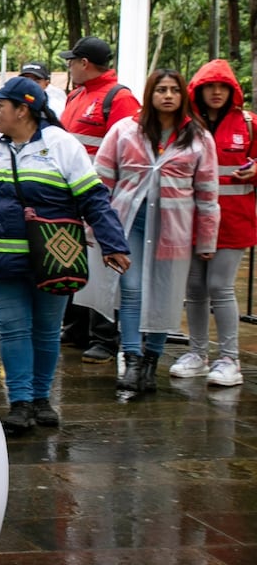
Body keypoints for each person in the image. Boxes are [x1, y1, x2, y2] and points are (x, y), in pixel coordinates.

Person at [0, 78, 129, 434]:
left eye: (1, 105)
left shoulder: (63, 146)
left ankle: (42, 398)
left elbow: (93, 199)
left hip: (55, 259)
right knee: (14, 331)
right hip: (3, 259)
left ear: (23, 110)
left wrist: (113, 244)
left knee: (46, 332)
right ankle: (21, 402)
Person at [76, 69, 219, 396]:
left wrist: (207, 239)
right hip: (128, 225)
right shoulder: (125, 131)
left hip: (174, 229)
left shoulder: (198, 138)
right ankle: (133, 358)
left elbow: (208, 193)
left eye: (174, 90)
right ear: (150, 94)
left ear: (182, 96)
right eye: (161, 90)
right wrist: (93, 225)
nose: (167, 96)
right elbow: (101, 182)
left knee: (166, 294)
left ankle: (152, 360)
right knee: (132, 289)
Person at [57, 37, 140, 364]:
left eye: (72, 61)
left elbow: (129, 149)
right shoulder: (77, 95)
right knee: (74, 261)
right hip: (69, 197)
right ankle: (76, 327)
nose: (70, 67)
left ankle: (105, 337)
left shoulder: (119, 99)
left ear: (85, 63)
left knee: (103, 268)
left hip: (99, 198)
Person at [172, 60, 255, 387]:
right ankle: (198, 353)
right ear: (199, 90)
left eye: (223, 87)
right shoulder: (186, 125)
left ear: (233, 91)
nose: (217, 92)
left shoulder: (248, 123)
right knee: (194, 288)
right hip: (192, 219)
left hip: (234, 222)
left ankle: (229, 359)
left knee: (219, 286)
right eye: (211, 86)